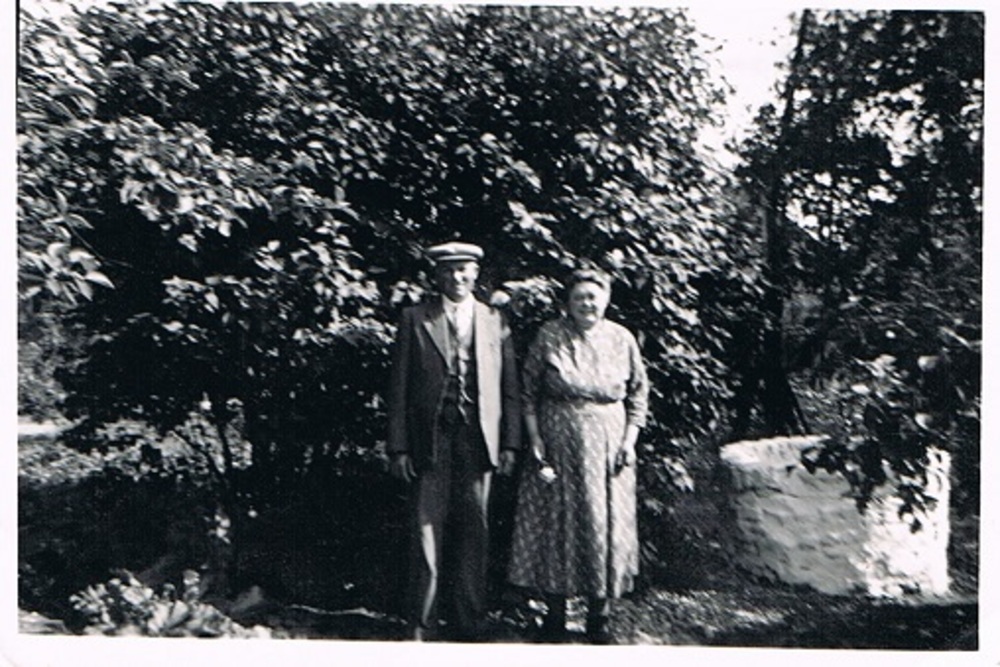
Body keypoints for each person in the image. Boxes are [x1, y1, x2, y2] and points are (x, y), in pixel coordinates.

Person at [387, 241, 521, 642]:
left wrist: (510, 444)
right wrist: (398, 447)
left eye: (463, 270)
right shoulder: (415, 318)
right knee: (426, 528)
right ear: (437, 276)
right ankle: (421, 624)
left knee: (475, 530)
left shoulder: (495, 320)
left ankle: (469, 622)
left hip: (479, 439)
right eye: (448, 270)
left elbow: (509, 388)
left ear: (476, 274)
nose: (456, 277)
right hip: (430, 439)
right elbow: (398, 389)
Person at [507, 267, 649, 644]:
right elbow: (527, 392)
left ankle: (599, 618)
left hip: (609, 447)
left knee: (602, 523)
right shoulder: (550, 335)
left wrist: (629, 441)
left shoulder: (622, 338)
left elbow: (639, 395)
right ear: (568, 303)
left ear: (607, 300)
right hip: (557, 444)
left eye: (593, 297)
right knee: (556, 524)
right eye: (579, 297)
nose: (587, 304)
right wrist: (535, 438)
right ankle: (555, 617)